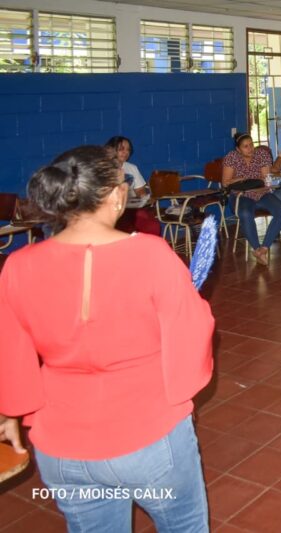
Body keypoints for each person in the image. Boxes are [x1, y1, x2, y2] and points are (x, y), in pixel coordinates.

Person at [0, 145, 214, 531]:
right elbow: (192, 332)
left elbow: (9, 353)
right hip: (149, 436)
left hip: (62, 446)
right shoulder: (151, 254)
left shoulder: (18, 266)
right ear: (116, 195)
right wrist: (181, 392)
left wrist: (11, 411)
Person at [222, 133, 281, 266]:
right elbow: (225, 182)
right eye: (245, 146)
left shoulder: (262, 154)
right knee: (245, 213)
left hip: (261, 193)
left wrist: (254, 181)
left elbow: (265, 178)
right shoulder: (231, 157)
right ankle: (256, 248)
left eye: (251, 145)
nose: (250, 148)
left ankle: (264, 248)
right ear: (238, 149)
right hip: (241, 195)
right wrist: (240, 179)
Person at [105, 135, 161, 236]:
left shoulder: (132, 168)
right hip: (111, 211)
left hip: (131, 209)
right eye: (121, 149)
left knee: (153, 225)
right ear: (112, 150)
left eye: (128, 150)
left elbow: (140, 191)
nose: (125, 152)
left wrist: (142, 199)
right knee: (126, 226)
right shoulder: (102, 168)